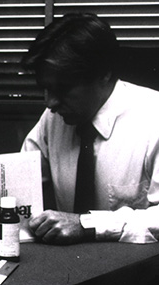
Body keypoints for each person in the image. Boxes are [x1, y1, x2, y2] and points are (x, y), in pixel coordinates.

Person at [21, 13, 159, 245]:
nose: (50, 103)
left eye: (63, 89)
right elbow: (19, 181)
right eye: (45, 88)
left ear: (104, 74)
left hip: (140, 274)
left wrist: (87, 225)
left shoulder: (154, 119)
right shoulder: (53, 118)